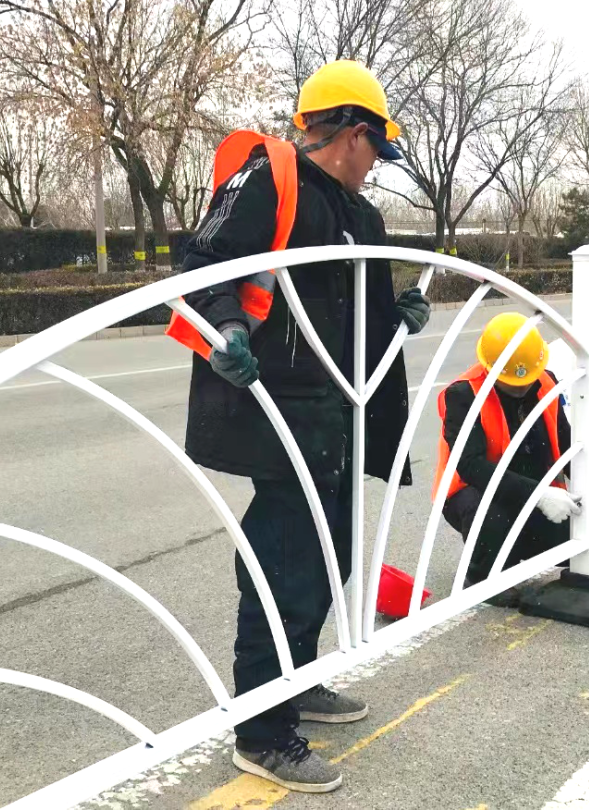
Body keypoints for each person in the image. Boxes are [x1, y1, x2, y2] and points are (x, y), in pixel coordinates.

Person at [172, 60, 431, 794]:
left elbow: (354, 312)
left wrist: (397, 318)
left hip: (338, 418)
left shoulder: (361, 216)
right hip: (280, 409)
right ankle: (262, 732)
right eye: (375, 149)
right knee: (285, 564)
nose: (375, 165)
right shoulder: (269, 176)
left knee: (332, 556)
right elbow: (202, 264)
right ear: (352, 133)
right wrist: (225, 327)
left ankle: (298, 679)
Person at [434, 313, 589, 607]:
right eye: (512, 383)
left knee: (575, 537)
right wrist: (540, 495)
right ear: (489, 367)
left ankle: (515, 548)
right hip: (475, 494)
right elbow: (472, 467)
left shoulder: (546, 381)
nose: (521, 388)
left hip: (530, 488)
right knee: (491, 515)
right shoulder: (463, 395)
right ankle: (481, 578)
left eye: (527, 380)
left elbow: (565, 442)